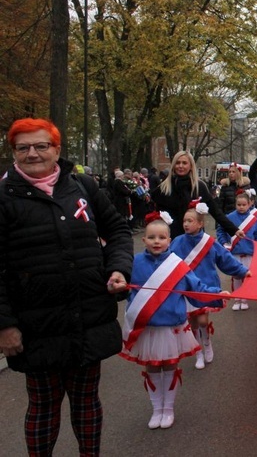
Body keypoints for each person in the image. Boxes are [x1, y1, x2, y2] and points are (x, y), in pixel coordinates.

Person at [0, 118, 133, 455]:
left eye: (41, 146)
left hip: (87, 315)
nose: (33, 153)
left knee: (87, 402)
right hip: (37, 324)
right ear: (13, 152)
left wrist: (118, 268)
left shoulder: (83, 186)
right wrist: (4, 324)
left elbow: (117, 231)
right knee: (43, 407)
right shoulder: (3, 197)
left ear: (56, 149)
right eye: (23, 147)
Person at [120, 213, 225, 429]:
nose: (156, 241)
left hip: (171, 327)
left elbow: (197, 289)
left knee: (169, 366)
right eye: (151, 237)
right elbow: (121, 286)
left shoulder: (177, 265)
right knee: (151, 368)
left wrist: (218, 294)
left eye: (161, 237)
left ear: (169, 240)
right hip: (147, 326)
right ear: (143, 240)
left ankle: (168, 409)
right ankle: (156, 409)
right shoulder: (134, 263)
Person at [171, 202, 249, 369]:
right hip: (186, 289)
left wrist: (242, 271)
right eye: (184, 221)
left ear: (200, 223)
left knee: (203, 320)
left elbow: (225, 259)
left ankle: (207, 343)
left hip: (206, 286)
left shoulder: (209, 242)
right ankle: (198, 351)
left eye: (190, 221)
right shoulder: (177, 242)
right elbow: (167, 262)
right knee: (192, 322)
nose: (186, 224)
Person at [150, 150, 242, 240]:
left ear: (190, 166)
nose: (180, 166)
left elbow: (216, 212)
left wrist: (234, 230)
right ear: (173, 165)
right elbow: (155, 214)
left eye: (184, 163)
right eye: (177, 163)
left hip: (195, 238)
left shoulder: (199, 187)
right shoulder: (164, 188)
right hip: (172, 238)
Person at [217, 190, 257, 311]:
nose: (241, 207)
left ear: (249, 204)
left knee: (246, 276)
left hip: (249, 251)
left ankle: (245, 298)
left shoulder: (254, 219)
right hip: (235, 251)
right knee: (236, 276)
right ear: (235, 205)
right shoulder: (229, 217)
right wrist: (224, 243)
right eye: (239, 205)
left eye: (244, 205)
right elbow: (221, 230)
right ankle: (237, 298)